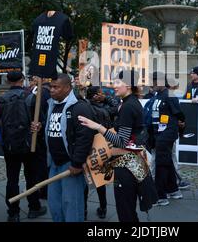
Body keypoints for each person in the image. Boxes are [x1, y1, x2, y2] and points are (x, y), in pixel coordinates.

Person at [78, 70, 158, 222]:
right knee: (128, 210)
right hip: (131, 164)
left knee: (126, 212)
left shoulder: (128, 106)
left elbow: (121, 141)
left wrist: (98, 127)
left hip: (127, 165)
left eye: (117, 82)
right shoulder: (129, 103)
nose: (113, 86)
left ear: (127, 84)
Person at [31, 73, 95, 222]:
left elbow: (84, 137)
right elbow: (55, 130)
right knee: (55, 205)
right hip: (54, 163)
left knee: (72, 205)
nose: (51, 90)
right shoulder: (52, 105)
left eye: (56, 87)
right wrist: (40, 128)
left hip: (70, 164)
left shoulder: (80, 107)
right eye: (50, 87)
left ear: (67, 88)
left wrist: (77, 163)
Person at [0, 71, 47, 222]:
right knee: (31, 177)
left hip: (10, 146)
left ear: (7, 81)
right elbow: (41, 122)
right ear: (22, 80)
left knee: (12, 179)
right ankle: (34, 207)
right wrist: (37, 130)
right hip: (30, 145)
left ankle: (13, 212)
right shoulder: (31, 98)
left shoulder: (1, 100)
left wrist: (2, 139)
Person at [145, 72, 185, 206]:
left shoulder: (170, 95)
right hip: (158, 134)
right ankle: (173, 190)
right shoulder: (158, 95)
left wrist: (178, 126)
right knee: (166, 162)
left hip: (166, 135)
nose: (151, 84)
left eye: (153, 81)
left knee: (161, 164)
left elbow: (179, 114)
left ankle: (160, 196)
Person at [83, 86, 112, 219]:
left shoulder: (84, 108)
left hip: (87, 147)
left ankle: (83, 209)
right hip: (101, 148)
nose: (103, 95)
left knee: (83, 182)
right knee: (100, 181)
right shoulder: (103, 110)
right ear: (94, 96)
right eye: (100, 93)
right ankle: (103, 207)